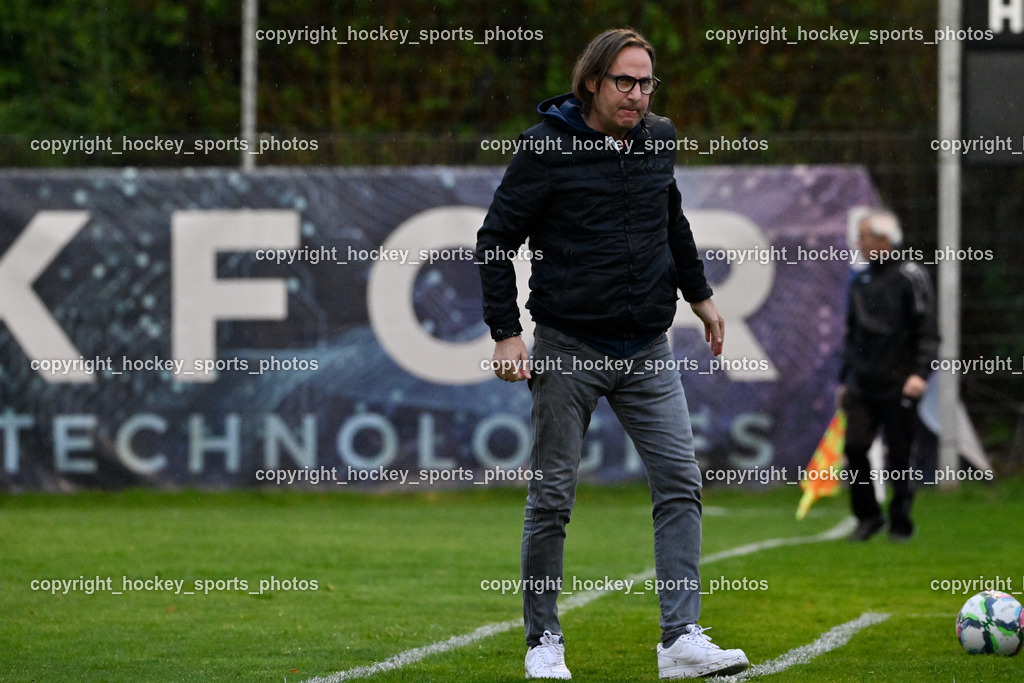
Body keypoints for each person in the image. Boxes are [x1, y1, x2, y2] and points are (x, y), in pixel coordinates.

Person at [475, 27, 748, 680]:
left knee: (680, 482)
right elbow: (494, 238)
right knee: (552, 497)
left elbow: (670, 218)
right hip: (569, 346)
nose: (636, 95)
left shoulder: (659, 138)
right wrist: (505, 331)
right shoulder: (544, 150)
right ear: (592, 81)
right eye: (624, 81)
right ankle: (543, 640)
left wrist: (702, 296)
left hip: (649, 348)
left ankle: (680, 639)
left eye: (646, 82)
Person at [836, 210, 939, 542]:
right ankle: (868, 518)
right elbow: (853, 335)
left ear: (883, 240)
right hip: (863, 383)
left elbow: (928, 331)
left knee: (899, 454)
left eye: (864, 236)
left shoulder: (911, 275)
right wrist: (844, 378)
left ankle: (900, 521)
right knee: (854, 448)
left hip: (900, 381)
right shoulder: (860, 280)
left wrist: (920, 373)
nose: (859, 243)